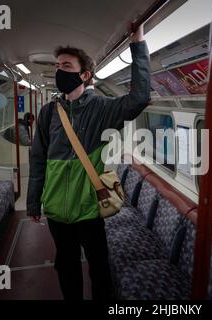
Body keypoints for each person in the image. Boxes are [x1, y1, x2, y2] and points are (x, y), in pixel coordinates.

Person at [26, 24, 150, 300]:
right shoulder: (48, 113)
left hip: (90, 208)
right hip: (57, 208)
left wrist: (138, 43)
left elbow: (140, 98)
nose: (59, 71)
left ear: (85, 74)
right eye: (58, 65)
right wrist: (34, 202)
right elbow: (37, 160)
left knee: (99, 268)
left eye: (67, 66)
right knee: (66, 267)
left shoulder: (102, 109)